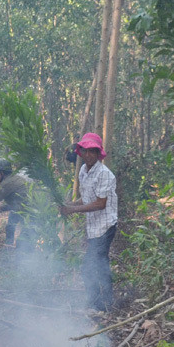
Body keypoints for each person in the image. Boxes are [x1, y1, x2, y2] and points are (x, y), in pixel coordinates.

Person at [59, 133, 118, 312]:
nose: (89, 154)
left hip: (105, 226)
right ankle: (107, 302)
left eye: (93, 151)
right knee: (101, 264)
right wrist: (68, 205)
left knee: (89, 267)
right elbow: (85, 199)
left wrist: (73, 210)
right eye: (86, 150)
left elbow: (100, 204)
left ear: (98, 153)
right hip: (93, 227)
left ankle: (98, 305)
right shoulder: (84, 171)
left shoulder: (105, 174)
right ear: (81, 152)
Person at [0, 158, 31, 247]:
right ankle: (8, 247)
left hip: (29, 212)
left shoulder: (8, 183)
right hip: (21, 208)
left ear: (2, 173)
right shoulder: (14, 178)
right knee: (10, 226)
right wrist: (1, 208)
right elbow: (17, 202)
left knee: (24, 242)